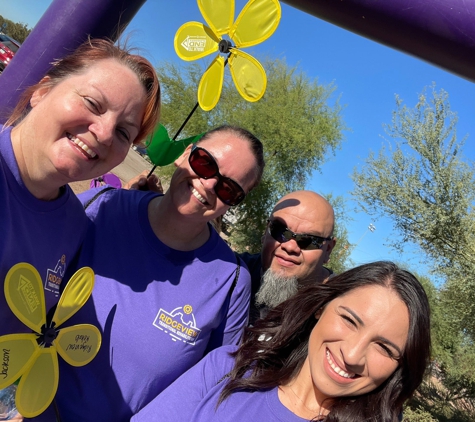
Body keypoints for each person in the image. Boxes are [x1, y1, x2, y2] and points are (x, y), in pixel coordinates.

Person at [54, 125, 265, 421]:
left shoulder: (231, 282)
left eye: (228, 188)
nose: (208, 185)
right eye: (205, 163)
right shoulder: (101, 205)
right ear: (184, 155)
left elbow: (211, 388)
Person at [0, 37, 160, 339]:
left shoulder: (74, 226)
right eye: (92, 103)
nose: (104, 134)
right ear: (43, 91)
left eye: (124, 132)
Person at [132, 261, 431, 422]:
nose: (352, 354)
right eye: (350, 320)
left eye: (384, 347)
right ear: (320, 307)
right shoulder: (228, 368)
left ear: (400, 367)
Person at [242, 190, 336, 324]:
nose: (290, 247)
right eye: (280, 230)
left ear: (328, 250)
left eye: (308, 240)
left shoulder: (336, 310)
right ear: (266, 231)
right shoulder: (232, 272)